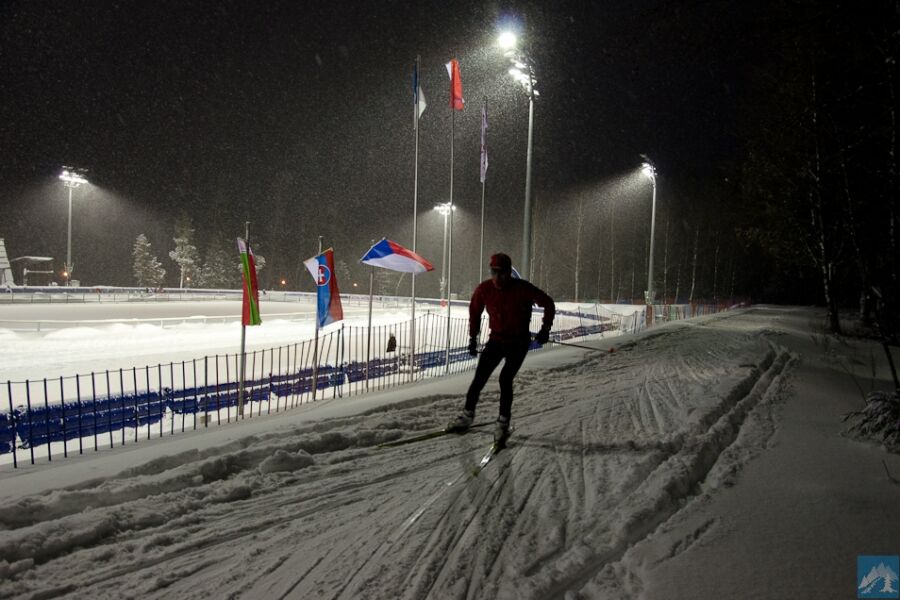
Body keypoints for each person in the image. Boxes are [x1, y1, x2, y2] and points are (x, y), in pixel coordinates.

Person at [446, 252, 555, 445]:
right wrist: (472, 337)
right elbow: (475, 313)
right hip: (496, 340)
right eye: (493, 272)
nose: (497, 277)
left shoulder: (521, 288)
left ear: (509, 273)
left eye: (502, 273)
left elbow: (548, 303)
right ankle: (467, 415)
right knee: (479, 377)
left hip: (518, 342)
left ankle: (503, 422)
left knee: (505, 378)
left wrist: (545, 329)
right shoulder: (484, 289)